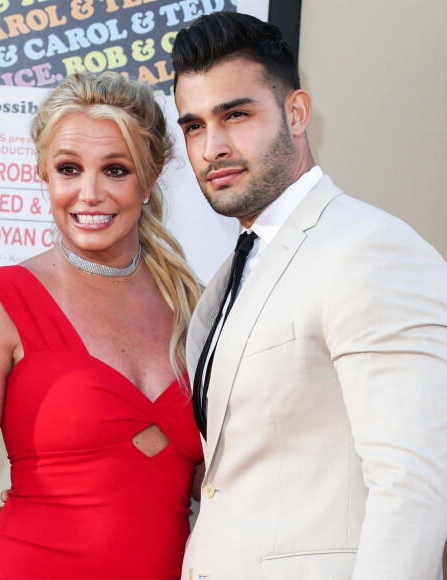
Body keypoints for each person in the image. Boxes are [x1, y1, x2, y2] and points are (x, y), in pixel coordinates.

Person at [171, 11, 447, 580]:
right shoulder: (232, 272)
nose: (212, 146)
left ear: (296, 113)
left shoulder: (371, 250)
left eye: (236, 115)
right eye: (194, 126)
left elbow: (415, 485)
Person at [0, 71, 204, 580]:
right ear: (45, 175)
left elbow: (212, 480)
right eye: (69, 169)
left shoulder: (191, 304)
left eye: (116, 169)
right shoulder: (2, 299)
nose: (89, 193)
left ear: (150, 176)